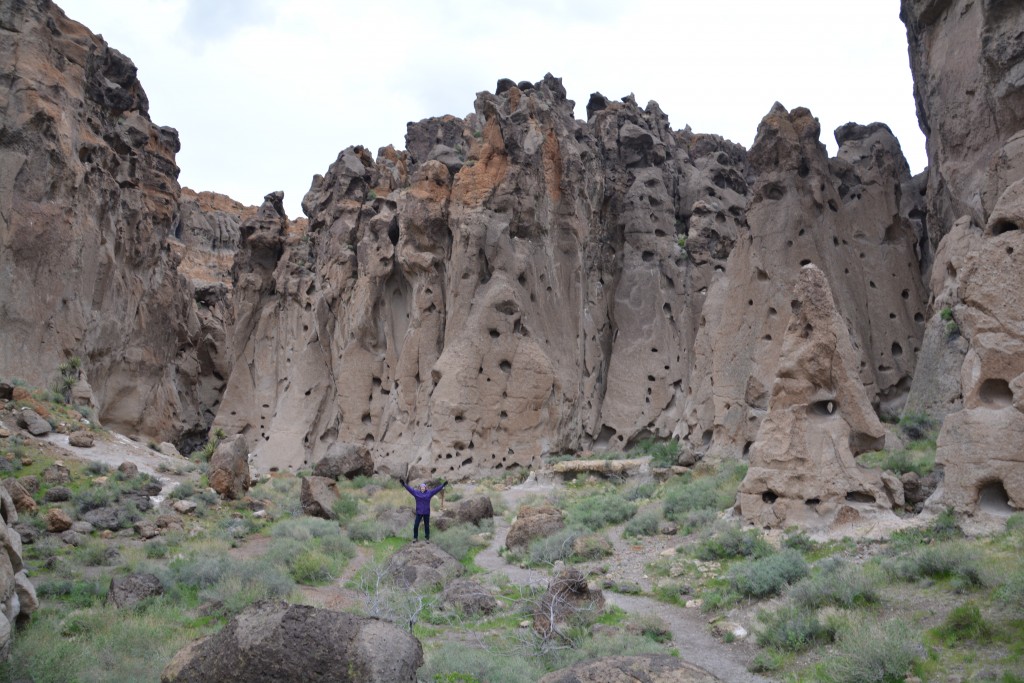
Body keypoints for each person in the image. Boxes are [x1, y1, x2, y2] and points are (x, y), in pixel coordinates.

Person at [400, 478, 447, 542]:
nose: (422, 488)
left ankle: (427, 538)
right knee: (416, 525)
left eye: (423, 487)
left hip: (426, 513)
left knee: (427, 526)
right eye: (421, 487)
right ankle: (415, 538)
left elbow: (436, 490)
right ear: (420, 488)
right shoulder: (416, 493)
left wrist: (443, 485)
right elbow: (410, 489)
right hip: (419, 512)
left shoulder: (429, 493)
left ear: (425, 488)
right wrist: (404, 484)